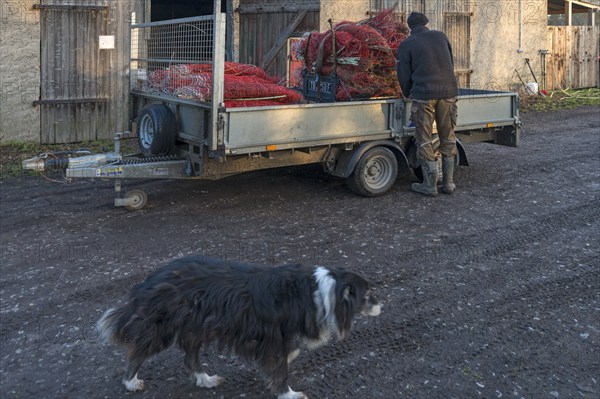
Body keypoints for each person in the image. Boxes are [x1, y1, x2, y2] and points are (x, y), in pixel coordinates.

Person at [396, 12, 459, 196]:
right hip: (448, 93)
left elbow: (403, 75)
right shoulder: (441, 36)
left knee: (424, 139)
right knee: (448, 136)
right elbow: (450, 63)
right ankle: (448, 183)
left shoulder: (406, 44)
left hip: (423, 95)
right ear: (426, 23)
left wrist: (408, 93)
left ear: (409, 27)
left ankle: (429, 185)